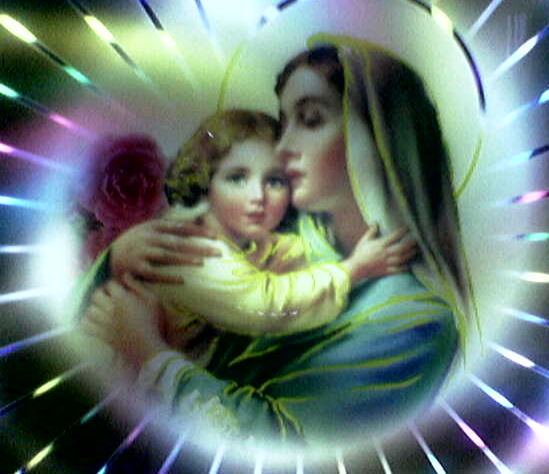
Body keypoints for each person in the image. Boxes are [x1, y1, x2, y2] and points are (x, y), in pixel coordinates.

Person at [80, 35, 475, 447]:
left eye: (311, 120)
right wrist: (120, 256)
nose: (283, 148)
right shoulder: (264, 227)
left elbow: (284, 444)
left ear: (377, 138)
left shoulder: (415, 323)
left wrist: (149, 353)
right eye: (285, 123)